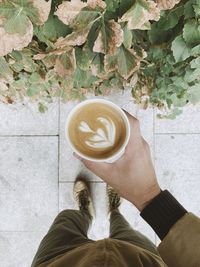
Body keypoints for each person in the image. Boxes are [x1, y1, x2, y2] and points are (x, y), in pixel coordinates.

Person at [31, 111, 200, 267]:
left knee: (66, 220)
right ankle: (114, 211)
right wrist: (149, 197)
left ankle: (85, 212)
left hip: (57, 260)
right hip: (142, 258)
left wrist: (149, 196)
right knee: (122, 227)